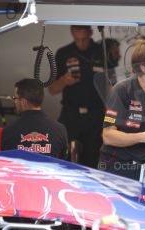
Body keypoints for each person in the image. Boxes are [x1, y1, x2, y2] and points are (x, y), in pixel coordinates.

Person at [99, 39, 145, 180]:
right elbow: (108, 136)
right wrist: (143, 137)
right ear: (144, 68)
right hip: (118, 167)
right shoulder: (122, 90)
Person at [48, 25, 105, 168]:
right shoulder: (63, 53)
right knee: (64, 157)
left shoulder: (102, 51)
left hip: (96, 114)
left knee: (93, 159)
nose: (81, 43)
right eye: (77, 39)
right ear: (72, 33)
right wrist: (64, 81)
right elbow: (52, 89)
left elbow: (113, 84)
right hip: (71, 113)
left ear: (91, 33)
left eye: (84, 39)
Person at [1, 78, 68, 159]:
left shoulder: (8, 131)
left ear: (23, 102)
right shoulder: (60, 130)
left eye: (15, 98)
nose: (15, 102)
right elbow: (64, 163)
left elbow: (6, 164)